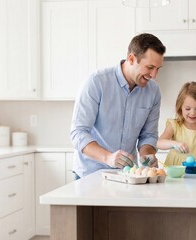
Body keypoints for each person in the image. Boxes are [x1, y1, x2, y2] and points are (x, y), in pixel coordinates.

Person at [70, 33, 166, 179]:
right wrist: (108, 157)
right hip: (89, 174)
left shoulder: (153, 91)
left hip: (126, 175)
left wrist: (147, 155)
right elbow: (78, 133)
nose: (154, 74)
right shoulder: (96, 82)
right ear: (131, 59)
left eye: (158, 68)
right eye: (150, 67)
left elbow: (148, 135)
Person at [157, 82, 196, 167]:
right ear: (180, 107)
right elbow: (159, 143)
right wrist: (174, 144)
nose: (192, 113)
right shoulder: (175, 125)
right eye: (187, 108)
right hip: (174, 173)